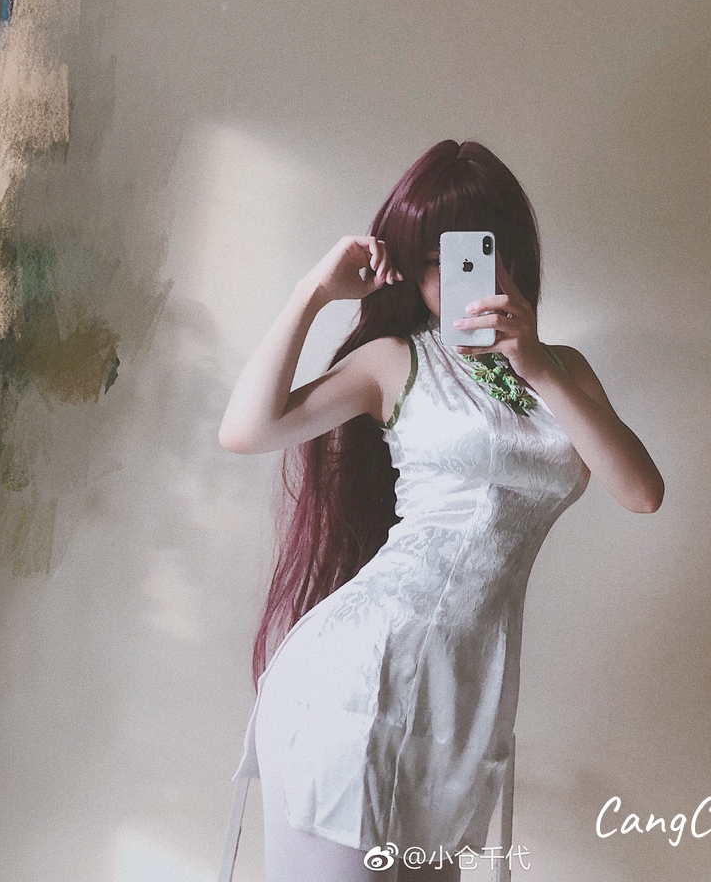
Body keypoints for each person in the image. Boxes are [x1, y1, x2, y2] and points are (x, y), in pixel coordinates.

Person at [219, 139, 664, 882]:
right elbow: (246, 430)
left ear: (512, 255)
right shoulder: (398, 360)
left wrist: (535, 362)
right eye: (433, 262)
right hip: (355, 682)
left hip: (458, 706)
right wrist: (314, 293)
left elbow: (641, 493)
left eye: (475, 254)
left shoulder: (564, 371)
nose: (455, 279)